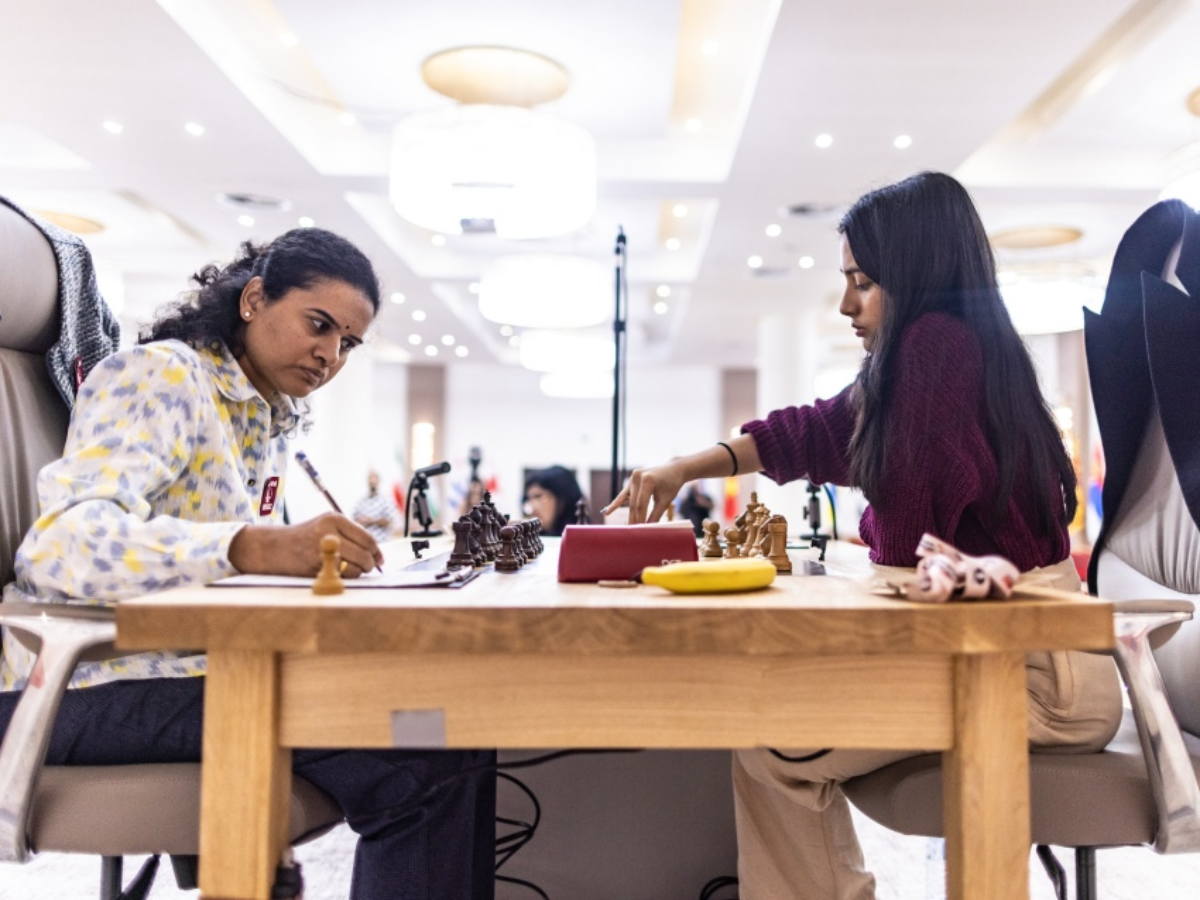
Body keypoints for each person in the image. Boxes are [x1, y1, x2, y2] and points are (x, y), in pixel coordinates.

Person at [604, 172, 1122, 900]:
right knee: (771, 730)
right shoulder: (955, 351)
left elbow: (904, 543)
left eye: (864, 282)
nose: (847, 304)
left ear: (915, 276)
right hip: (1029, 664)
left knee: (772, 741)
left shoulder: (934, 351)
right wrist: (688, 467)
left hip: (1028, 680)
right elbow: (817, 430)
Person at [0, 228, 495, 900]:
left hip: (198, 669)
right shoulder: (164, 376)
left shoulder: (265, 417)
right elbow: (62, 547)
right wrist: (251, 546)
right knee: (422, 754)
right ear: (255, 299)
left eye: (347, 343)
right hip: (84, 685)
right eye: (318, 325)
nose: (329, 355)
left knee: (449, 725)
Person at [524, 465, 584, 536]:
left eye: (539, 497)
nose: (532, 508)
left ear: (562, 500)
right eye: (529, 499)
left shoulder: (585, 538)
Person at [354, 469, 400, 542]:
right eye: (370, 480)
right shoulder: (361, 501)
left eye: (374, 480)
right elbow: (355, 520)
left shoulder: (386, 500)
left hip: (381, 542)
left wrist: (371, 521)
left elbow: (389, 521)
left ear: (378, 481)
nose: (372, 482)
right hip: (364, 542)